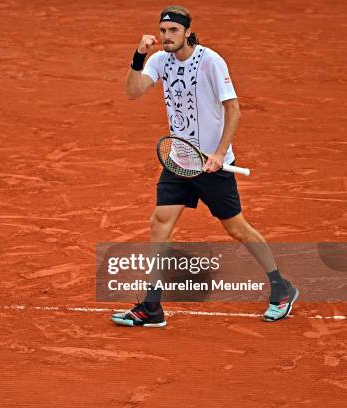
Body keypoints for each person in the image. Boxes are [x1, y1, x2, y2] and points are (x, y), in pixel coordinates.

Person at [110, 5, 298, 327]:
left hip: (213, 164)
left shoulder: (211, 61)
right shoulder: (158, 60)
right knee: (160, 222)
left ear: (186, 32)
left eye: (173, 31)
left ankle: (282, 287)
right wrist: (137, 58)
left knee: (235, 227)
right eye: (163, 31)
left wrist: (219, 153)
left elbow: (234, 109)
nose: (166, 36)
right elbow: (132, 92)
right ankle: (151, 307)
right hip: (179, 158)